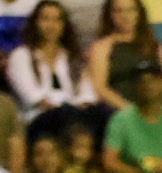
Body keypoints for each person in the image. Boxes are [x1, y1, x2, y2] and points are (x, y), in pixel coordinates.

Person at [5, 0, 98, 143]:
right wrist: (67, 109)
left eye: (57, 20)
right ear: (35, 23)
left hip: (74, 116)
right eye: (45, 19)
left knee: (102, 113)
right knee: (66, 114)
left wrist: (79, 108)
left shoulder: (71, 57)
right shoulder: (21, 55)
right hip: (38, 120)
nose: (51, 25)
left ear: (63, 25)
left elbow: (87, 94)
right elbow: (32, 97)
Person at [88, 0, 162, 115]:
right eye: (119, 11)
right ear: (110, 15)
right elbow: (100, 88)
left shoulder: (156, 47)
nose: (125, 16)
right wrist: (132, 113)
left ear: (139, 13)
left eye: (131, 10)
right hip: (120, 113)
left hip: (159, 113)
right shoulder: (102, 48)